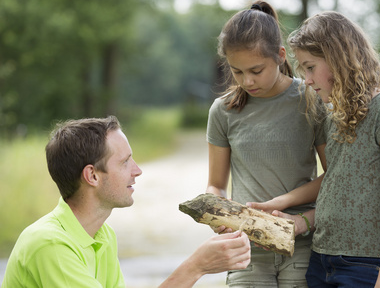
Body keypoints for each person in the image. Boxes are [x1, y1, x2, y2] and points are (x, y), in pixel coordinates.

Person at [251, 11, 380, 288]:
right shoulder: (335, 115)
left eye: (311, 67)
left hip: (366, 266)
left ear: (339, 60)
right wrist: (299, 221)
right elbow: (338, 185)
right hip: (322, 260)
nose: (306, 79)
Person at [2, 116, 251, 288]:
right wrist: (196, 267)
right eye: (124, 162)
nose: (137, 170)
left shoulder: (102, 235)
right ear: (92, 176)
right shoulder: (50, 244)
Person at [206, 0, 327, 287]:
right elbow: (216, 184)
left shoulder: (310, 99)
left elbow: (333, 177)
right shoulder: (222, 111)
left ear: (281, 56)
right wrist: (218, 214)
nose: (247, 80)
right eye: (237, 71)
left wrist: (294, 213)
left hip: (302, 244)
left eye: (256, 70)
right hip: (246, 249)